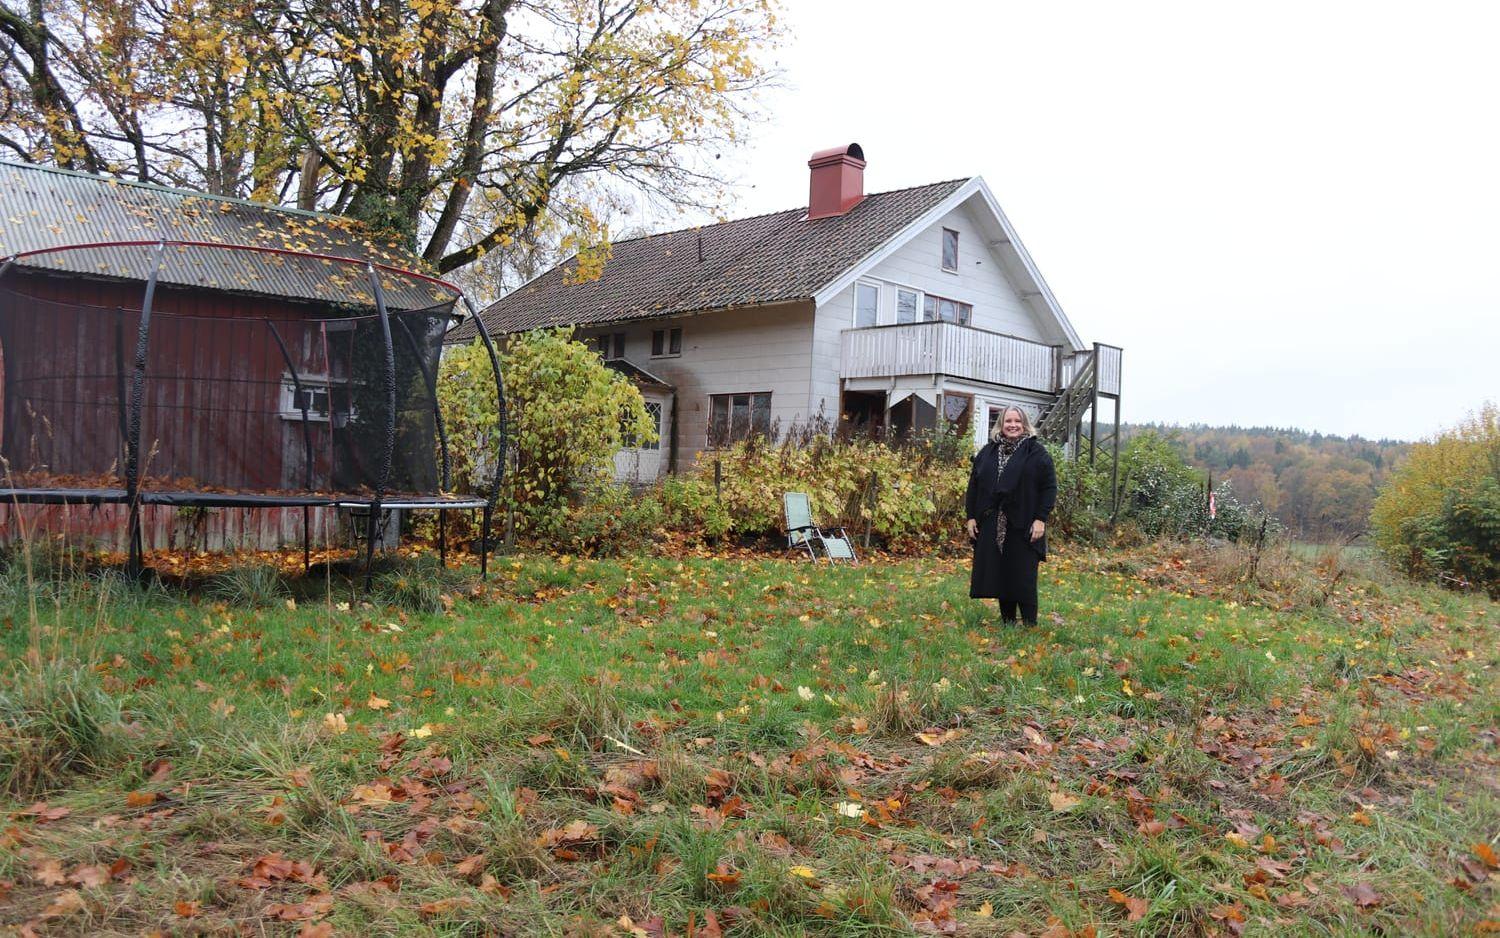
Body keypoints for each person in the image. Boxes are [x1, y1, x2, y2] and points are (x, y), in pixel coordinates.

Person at [964, 406, 1057, 624]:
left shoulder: (1037, 453)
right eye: (1008, 421)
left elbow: (1049, 488)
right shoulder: (988, 451)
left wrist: (1040, 519)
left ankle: (1029, 624)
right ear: (1001, 425)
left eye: (1017, 421)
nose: (1012, 425)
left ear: (1025, 425)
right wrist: (971, 517)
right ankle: (1008, 622)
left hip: (1024, 522)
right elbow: (974, 486)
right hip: (992, 522)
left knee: (1023, 574)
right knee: (1001, 571)